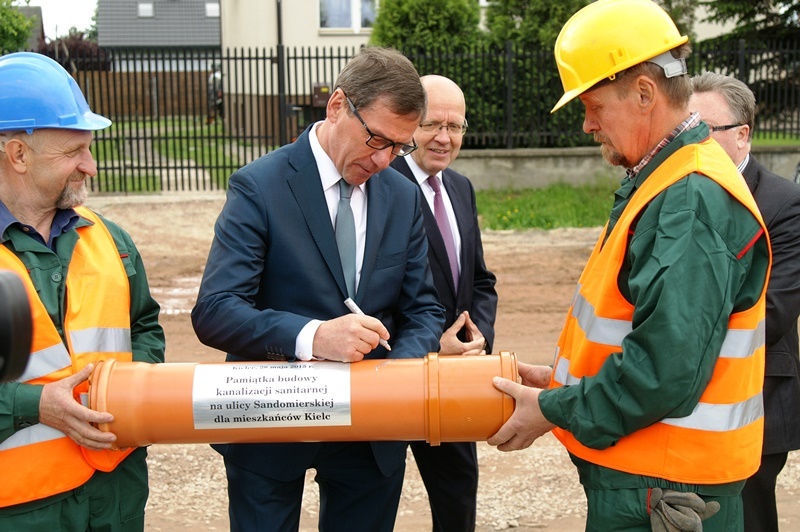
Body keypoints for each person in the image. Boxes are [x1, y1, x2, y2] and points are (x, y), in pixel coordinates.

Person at [487, 1, 772, 530]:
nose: (587, 124)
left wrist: (553, 409)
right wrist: (563, 384)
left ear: (644, 93)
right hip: (661, 485)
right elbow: (650, 336)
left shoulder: (689, 199)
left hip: (664, 493)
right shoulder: (672, 179)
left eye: (594, 105)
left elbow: (664, 372)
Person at [191, 46, 445, 532]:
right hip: (270, 420)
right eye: (377, 139)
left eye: (399, 147)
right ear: (337, 106)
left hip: (373, 431)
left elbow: (424, 310)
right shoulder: (259, 185)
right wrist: (314, 336)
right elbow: (216, 310)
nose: (384, 159)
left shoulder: (402, 195)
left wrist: (392, 376)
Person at [0, 52, 165, 529]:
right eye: (73, 152)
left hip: (114, 497)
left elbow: (143, 326)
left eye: (89, 149)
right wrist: (34, 406)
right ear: (18, 155)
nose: (90, 166)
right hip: (22, 510)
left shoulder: (110, 238)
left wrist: (132, 393)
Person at [690, 71, 800, 532]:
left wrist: (677, 345)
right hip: (679, 399)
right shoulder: (674, 193)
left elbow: (772, 313)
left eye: (704, 129)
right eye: (685, 128)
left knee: (748, 520)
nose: (692, 141)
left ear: (742, 135)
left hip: (754, 401)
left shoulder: (783, 202)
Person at [390, 74, 497, 532]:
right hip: (394, 375)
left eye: (455, 127)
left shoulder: (459, 186)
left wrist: (478, 337)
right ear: (410, 123)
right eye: (432, 124)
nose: (444, 138)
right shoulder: (381, 185)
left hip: (454, 377)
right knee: (373, 500)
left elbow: (480, 281)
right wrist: (432, 344)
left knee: (457, 499)